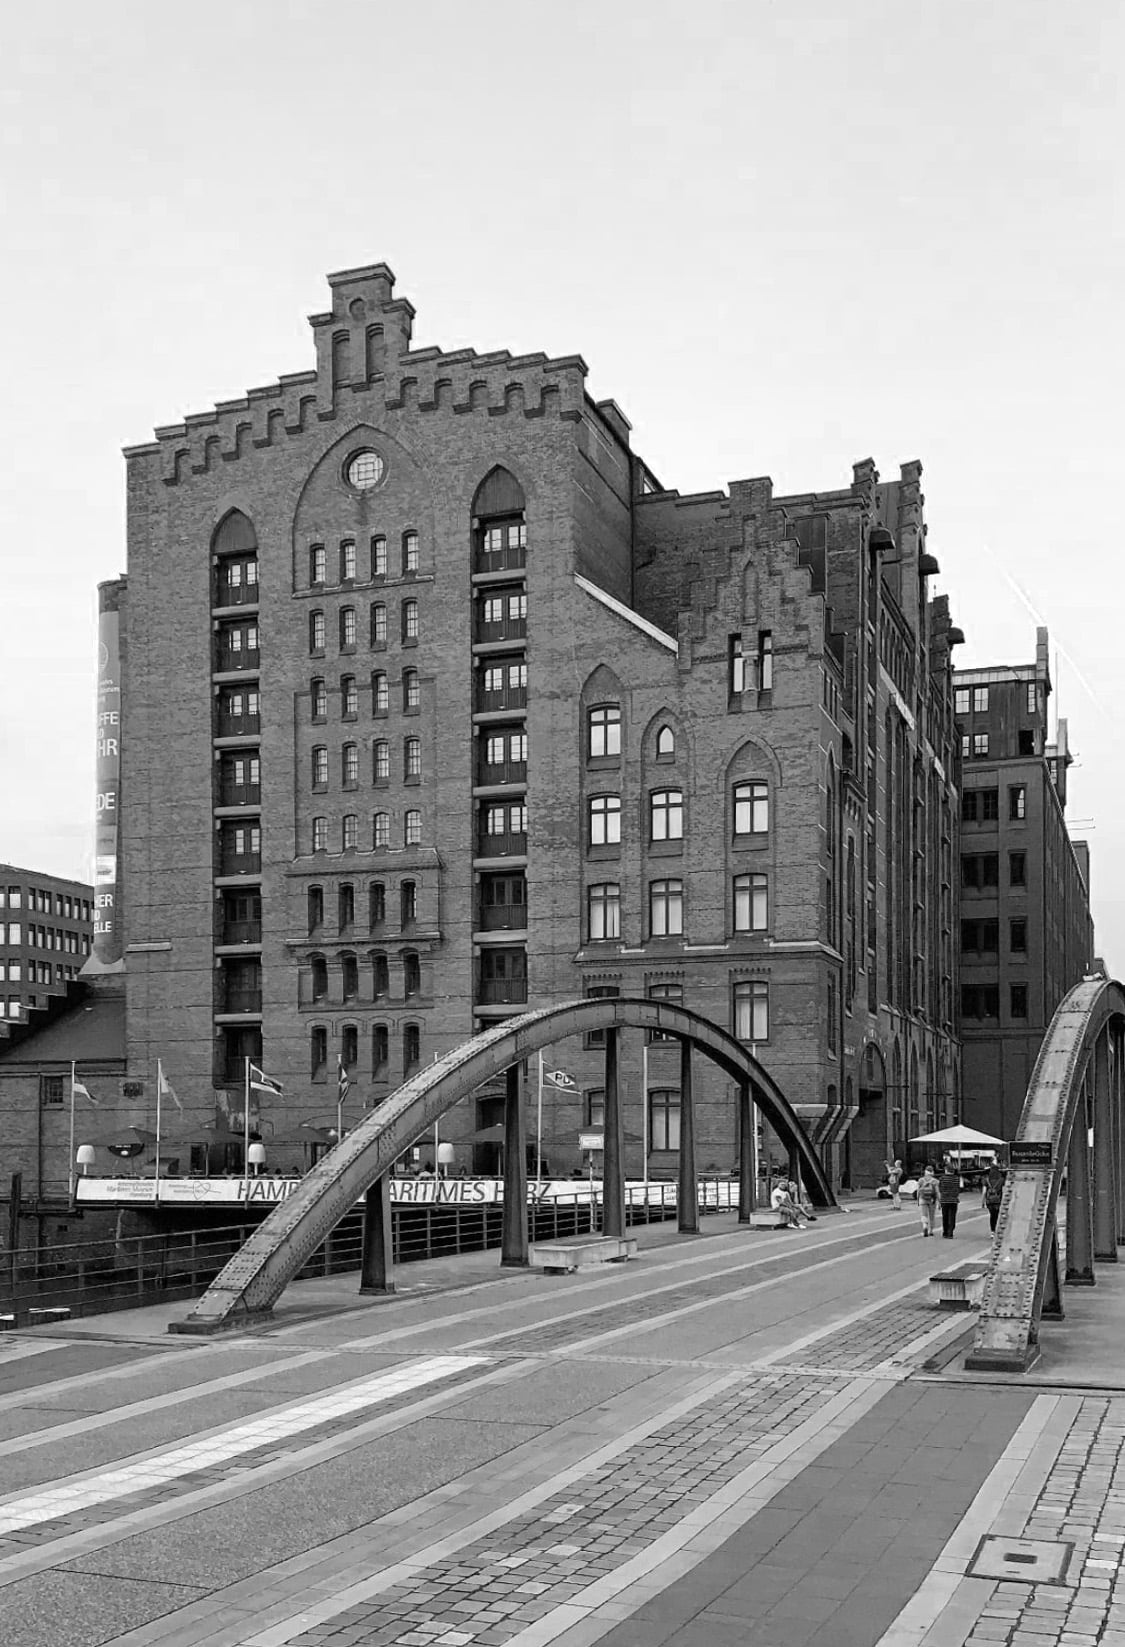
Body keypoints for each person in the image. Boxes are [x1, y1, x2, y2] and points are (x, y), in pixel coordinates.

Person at [938, 1164, 961, 1237]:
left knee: (945, 1216)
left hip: (944, 1199)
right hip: (953, 1200)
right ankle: (950, 1232)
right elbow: (958, 1189)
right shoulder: (957, 1178)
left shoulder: (942, 1178)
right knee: (952, 1216)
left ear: (946, 1170)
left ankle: (945, 1232)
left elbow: (940, 1189)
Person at [982, 1163, 1006, 1232]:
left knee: (992, 1216)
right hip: (998, 1200)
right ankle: (997, 1229)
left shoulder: (987, 1180)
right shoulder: (1001, 1180)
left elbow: (984, 1192)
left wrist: (982, 1202)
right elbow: (1004, 1190)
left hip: (989, 1201)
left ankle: (992, 1231)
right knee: (997, 1215)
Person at [917, 1165, 939, 1237]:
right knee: (932, 1216)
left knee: (924, 1214)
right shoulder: (935, 1181)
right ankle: (931, 1231)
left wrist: (918, 1200)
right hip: (932, 1200)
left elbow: (918, 1191)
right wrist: (939, 1201)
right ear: (932, 1172)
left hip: (922, 1199)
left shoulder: (921, 1180)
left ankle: (924, 1226)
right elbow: (937, 1192)